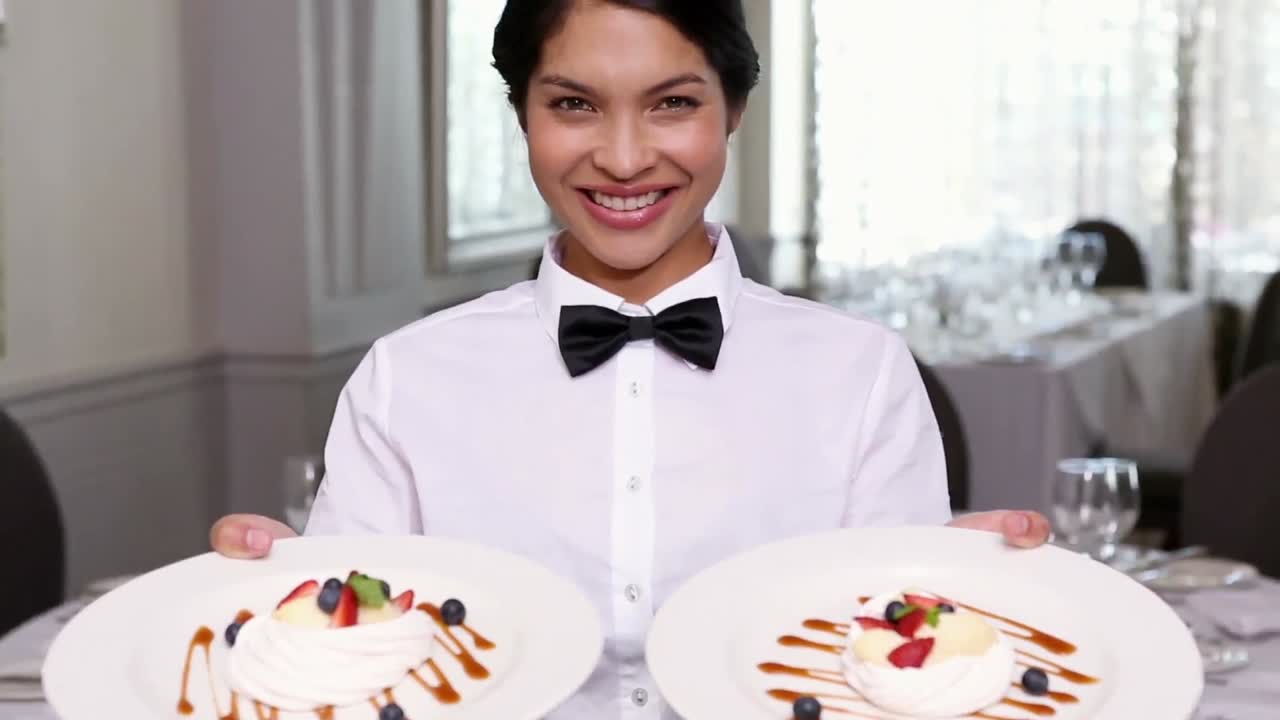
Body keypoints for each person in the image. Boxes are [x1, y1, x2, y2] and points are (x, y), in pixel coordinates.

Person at [210, 1, 1052, 717]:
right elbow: (347, 668)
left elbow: (893, 669)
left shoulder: (862, 374)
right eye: (573, 104)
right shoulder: (406, 378)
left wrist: (961, 624)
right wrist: (274, 621)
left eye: (673, 103)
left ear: (735, 108)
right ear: (522, 114)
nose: (621, 159)